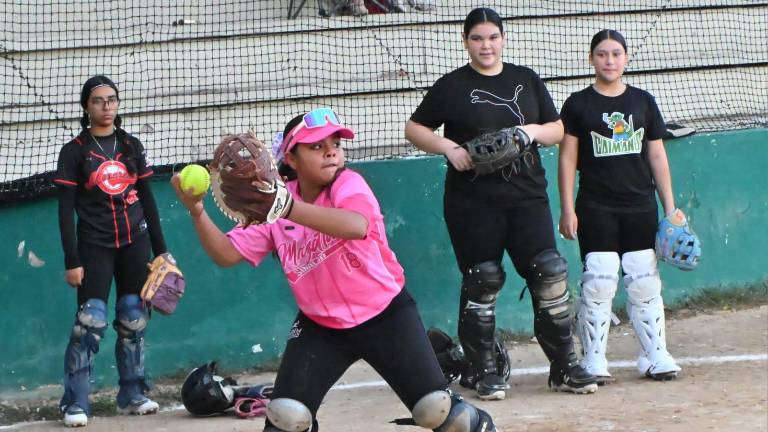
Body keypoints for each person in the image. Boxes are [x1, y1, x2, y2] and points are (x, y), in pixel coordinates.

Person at [172, 107, 497, 432]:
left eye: (336, 144)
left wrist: (286, 208)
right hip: (321, 326)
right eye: (316, 146)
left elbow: (356, 225)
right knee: (287, 416)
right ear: (291, 159)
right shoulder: (275, 206)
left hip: (385, 315)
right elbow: (227, 254)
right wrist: (197, 211)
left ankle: (479, 424)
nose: (330, 151)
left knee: (434, 410)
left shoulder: (348, 185)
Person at [404, 7, 597, 400]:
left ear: (503, 39)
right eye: (477, 38)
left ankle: (565, 367)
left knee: (549, 273)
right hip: (472, 203)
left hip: (527, 198)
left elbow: (558, 129)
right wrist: (448, 147)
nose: (486, 45)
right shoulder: (453, 85)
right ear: (465, 42)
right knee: (483, 278)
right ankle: (484, 371)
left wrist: (529, 132)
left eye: (493, 37)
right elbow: (414, 127)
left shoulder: (525, 79)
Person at [558, 29, 682, 384]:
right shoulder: (578, 104)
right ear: (591, 58)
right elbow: (567, 159)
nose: (609, 60)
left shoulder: (643, 101)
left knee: (644, 278)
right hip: (595, 205)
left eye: (615, 54)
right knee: (599, 278)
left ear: (626, 58)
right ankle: (593, 358)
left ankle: (655, 355)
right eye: (602, 54)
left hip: (640, 205)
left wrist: (670, 208)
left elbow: (656, 155)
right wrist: (567, 208)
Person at [53, 75, 168, 427]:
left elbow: (148, 199)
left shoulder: (131, 145)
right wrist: (72, 260)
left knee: (134, 317)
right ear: (86, 107)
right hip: (94, 245)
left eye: (112, 100)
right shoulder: (74, 151)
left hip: (135, 241)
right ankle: (75, 402)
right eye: (98, 101)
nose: (107, 107)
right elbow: (65, 211)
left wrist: (162, 252)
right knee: (90, 322)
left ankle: (132, 394)